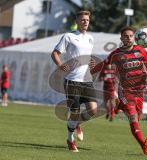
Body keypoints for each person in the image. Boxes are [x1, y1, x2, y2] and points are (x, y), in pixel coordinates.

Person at [91, 26, 147, 155]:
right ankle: (143, 144)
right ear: (121, 38)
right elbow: (104, 64)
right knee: (133, 118)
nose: (128, 38)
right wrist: (91, 70)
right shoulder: (116, 54)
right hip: (126, 91)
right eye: (126, 36)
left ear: (134, 38)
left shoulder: (141, 51)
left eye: (130, 36)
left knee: (137, 117)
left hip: (140, 92)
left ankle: (115, 107)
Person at [51, 10, 97, 153]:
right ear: (76, 22)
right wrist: (59, 65)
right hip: (72, 81)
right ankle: (70, 139)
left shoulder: (90, 38)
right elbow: (55, 53)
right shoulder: (69, 36)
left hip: (87, 80)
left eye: (87, 20)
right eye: (82, 20)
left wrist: (91, 62)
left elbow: (85, 56)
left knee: (93, 110)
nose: (85, 22)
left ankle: (76, 124)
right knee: (75, 113)